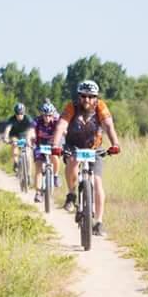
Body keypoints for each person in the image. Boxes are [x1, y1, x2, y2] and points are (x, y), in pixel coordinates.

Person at [50, 80, 121, 236]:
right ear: (79, 96)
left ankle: (99, 223)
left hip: (94, 148)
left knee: (97, 182)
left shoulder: (100, 107)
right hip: (73, 146)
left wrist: (115, 143)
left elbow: (108, 125)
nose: (87, 100)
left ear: (96, 97)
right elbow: (61, 125)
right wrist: (55, 144)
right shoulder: (71, 107)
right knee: (73, 161)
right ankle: (71, 194)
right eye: (84, 96)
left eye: (91, 96)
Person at [31, 99, 62, 202]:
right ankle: (38, 192)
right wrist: (29, 139)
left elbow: (63, 130)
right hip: (40, 145)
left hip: (53, 145)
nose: (47, 118)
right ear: (42, 115)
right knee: (38, 167)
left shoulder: (57, 122)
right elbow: (31, 131)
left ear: (53, 115)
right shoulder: (37, 121)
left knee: (55, 156)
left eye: (49, 115)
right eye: (45, 115)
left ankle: (56, 176)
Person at [1, 102, 35, 172]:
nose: (19, 116)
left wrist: (33, 137)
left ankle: (29, 173)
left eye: (21, 114)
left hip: (25, 135)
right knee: (14, 143)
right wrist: (5, 137)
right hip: (15, 135)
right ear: (15, 113)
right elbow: (8, 129)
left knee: (29, 155)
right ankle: (16, 163)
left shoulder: (28, 118)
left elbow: (32, 129)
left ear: (24, 113)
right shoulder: (12, 119)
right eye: (17, 114)